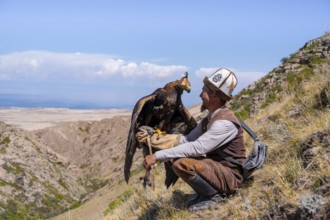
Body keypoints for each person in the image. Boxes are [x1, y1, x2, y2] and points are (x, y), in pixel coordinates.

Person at [141, 68, 246, 212]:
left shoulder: (224, 123)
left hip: (230, 176)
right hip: (218, 168)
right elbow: (186, 140)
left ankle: (214, 196)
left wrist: (157, 156)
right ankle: (204, 194)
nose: (200, 94)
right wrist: (156, 140)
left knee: (181, 164)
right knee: (176, 157)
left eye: (204, 91)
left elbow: (198, 148)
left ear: (214, 96)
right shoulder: (210, 118)